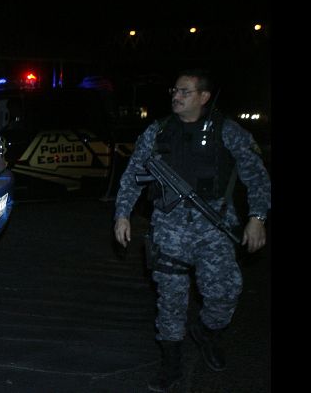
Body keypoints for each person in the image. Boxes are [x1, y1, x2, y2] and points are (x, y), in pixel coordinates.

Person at [113, 68, 270, 392]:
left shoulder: (227, 131)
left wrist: (257, 218)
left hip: (214, 226)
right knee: (170, 301)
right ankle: (171, 366)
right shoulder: (157, 131)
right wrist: (122, 215)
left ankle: (208, 331)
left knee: (225, 293)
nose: (176, 95)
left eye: (184, 91)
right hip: (168, 228)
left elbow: (257, 177)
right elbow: (131, 175)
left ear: (203, 97)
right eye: (174, 90)